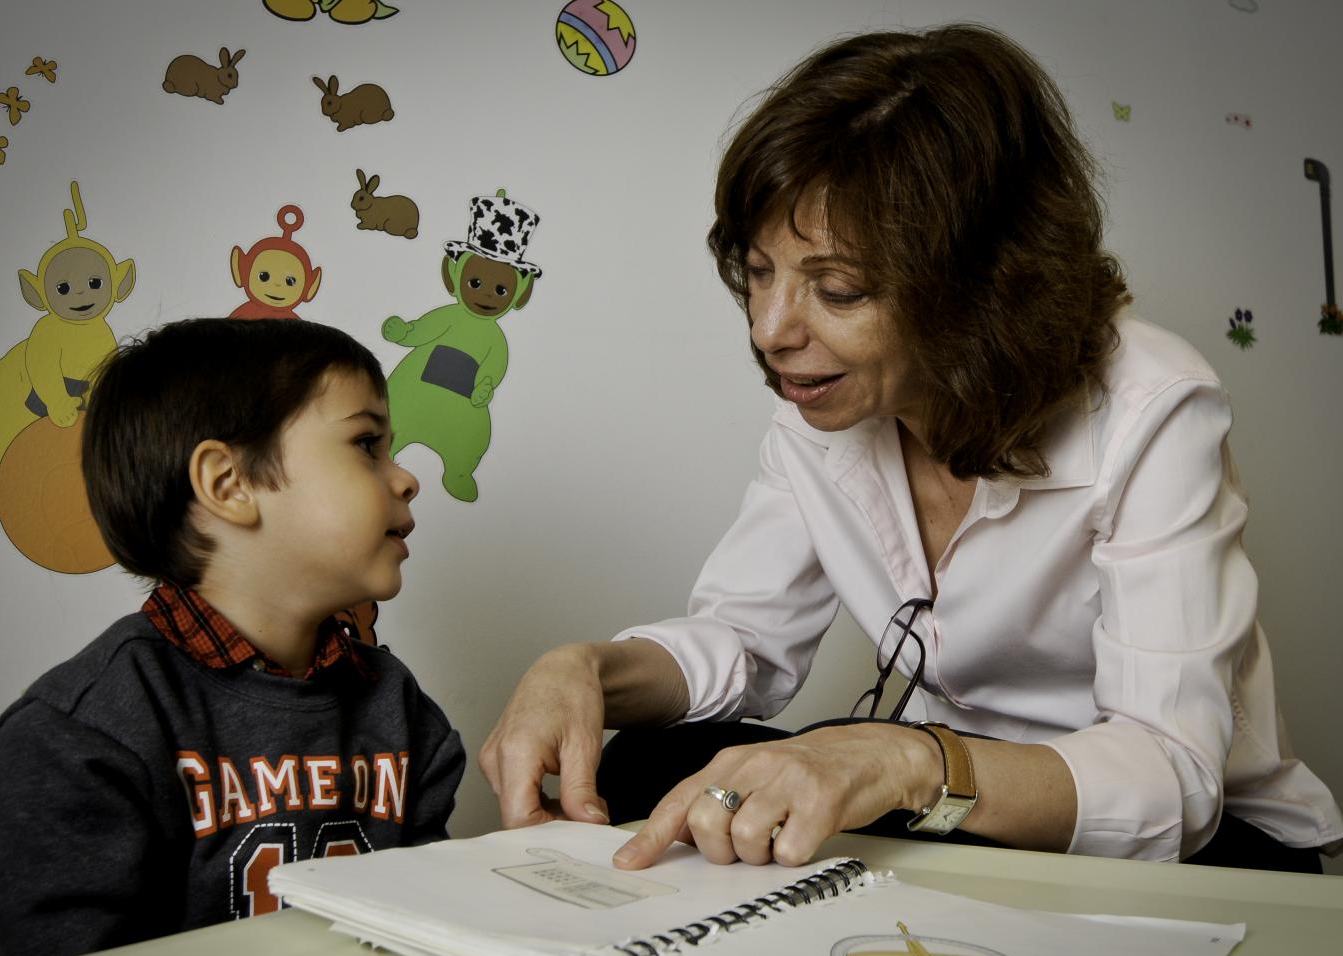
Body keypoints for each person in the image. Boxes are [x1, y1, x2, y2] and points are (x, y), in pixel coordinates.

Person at [481, 24, 1343, 874]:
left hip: (1207, 844)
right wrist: (587, 670)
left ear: (979, 285)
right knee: (646, 763)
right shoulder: (823, 412)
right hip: (948, 801)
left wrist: (904, 760)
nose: (771, 330)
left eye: (838, 288)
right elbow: (744, 643)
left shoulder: (1154, 408)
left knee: (808, 782)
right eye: (758, 272)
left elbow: (1171, 782)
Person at [0, 317, 465, 956]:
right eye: (367, 443)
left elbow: (424, 949)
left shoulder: (397, 706)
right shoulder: (80, 738)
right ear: (229, 485)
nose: (405, 479)